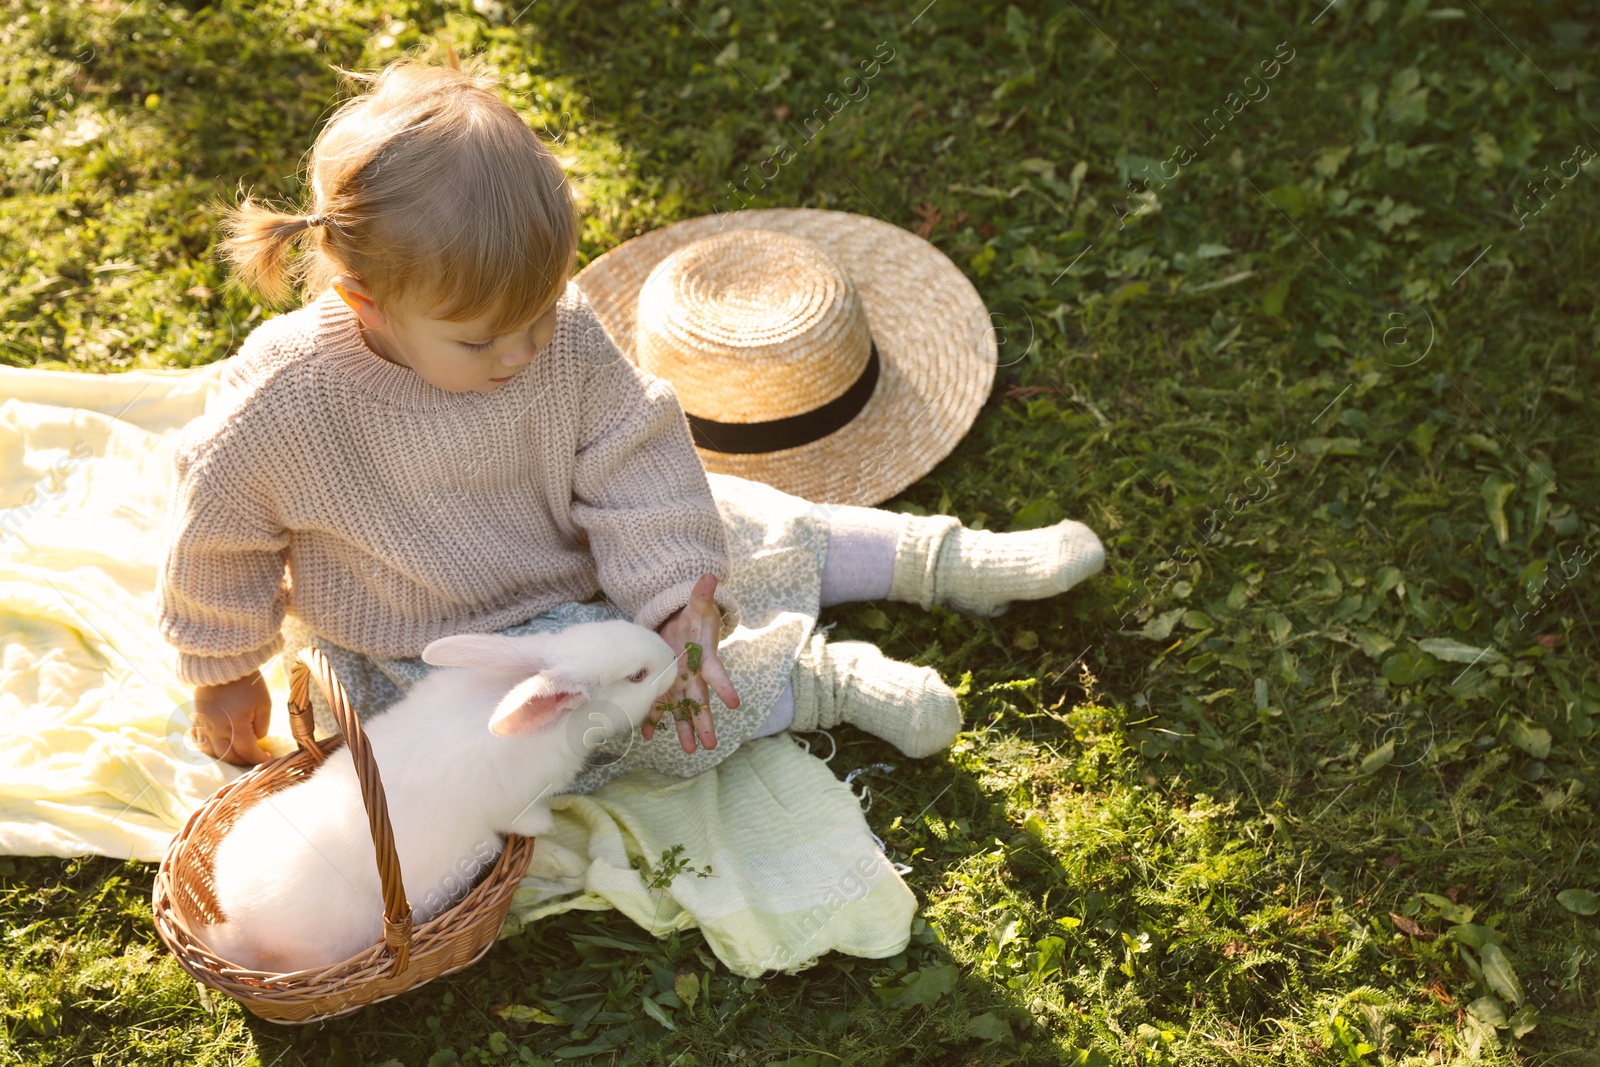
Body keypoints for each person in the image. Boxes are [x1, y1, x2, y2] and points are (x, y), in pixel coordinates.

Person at [157, 52, 1105, 794]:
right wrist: (222, 667)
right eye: (487, 339)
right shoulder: (284, 403)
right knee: (612, 715)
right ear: (367, 305)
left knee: (738, 518)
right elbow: (216, 533)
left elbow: (634, 460)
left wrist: (670, 592)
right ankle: (820, 682)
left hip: (586, 556)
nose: (526, 349)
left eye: (543, 312)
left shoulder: (555, 334)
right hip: (434, 641)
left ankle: (938, 559)